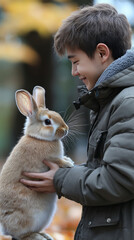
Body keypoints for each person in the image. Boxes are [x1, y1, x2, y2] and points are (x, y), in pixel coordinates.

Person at [20, 3, 134, 239]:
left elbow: (119, 180)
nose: (73, 72)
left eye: (75, 61)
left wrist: (60, 179)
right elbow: (106, 169)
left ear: (102, 53)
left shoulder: (127, 103)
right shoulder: (110, 102)